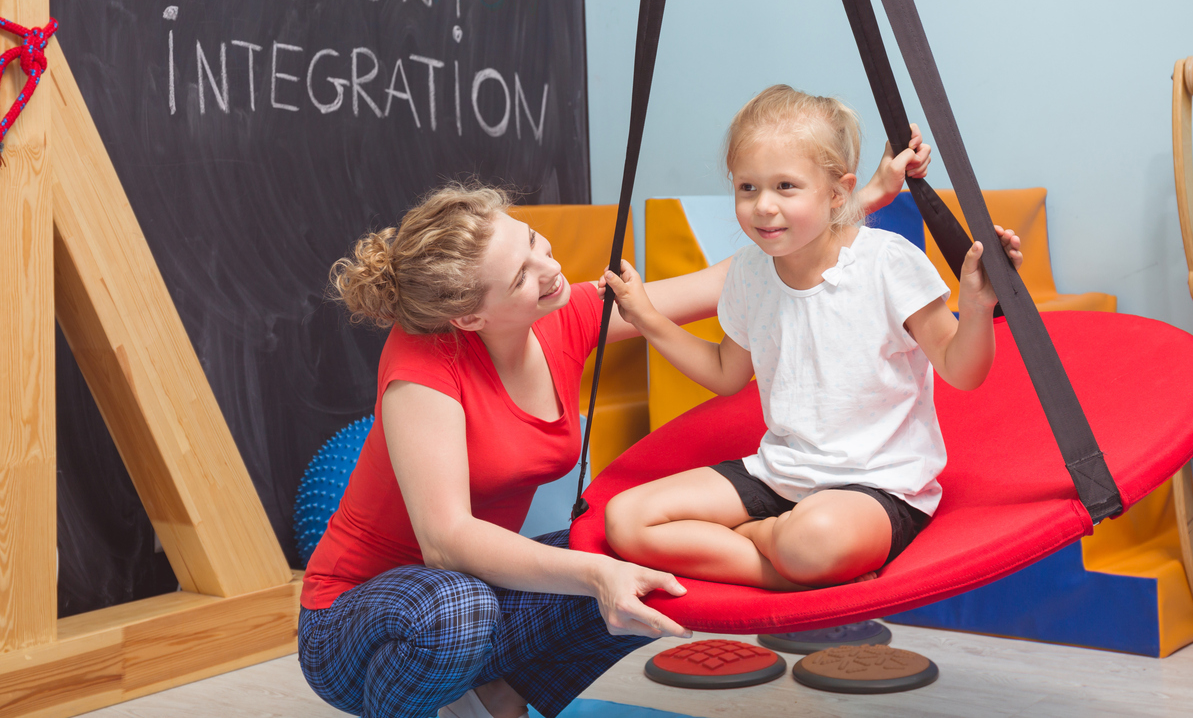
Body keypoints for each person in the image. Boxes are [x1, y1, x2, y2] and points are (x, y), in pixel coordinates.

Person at [297, 133, 932, 718]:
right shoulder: (422, 361)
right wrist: (594, 576)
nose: (549, 270)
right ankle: (434, 697)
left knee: (638, 571)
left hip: (474, 592)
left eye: (533, 242)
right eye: (521, 276)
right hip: (358, 620)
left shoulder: (563, 314)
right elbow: (446, 542)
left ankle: (497, 696)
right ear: (469, 318)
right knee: (469, 605)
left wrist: (849, 203)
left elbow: (724, 280)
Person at [602, 84, 1022, 592]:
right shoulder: (751, 273)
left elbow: (963, 370)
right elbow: (724, 373)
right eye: (747, 188)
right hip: (781, 474)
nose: (763, 207)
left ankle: (770, 541)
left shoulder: (887, 262)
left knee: (815, 537)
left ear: (839, 193)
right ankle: (784, 568)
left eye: (785, 187)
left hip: (875, 487)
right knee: (626, 520)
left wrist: (978, 305)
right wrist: (648, 319)